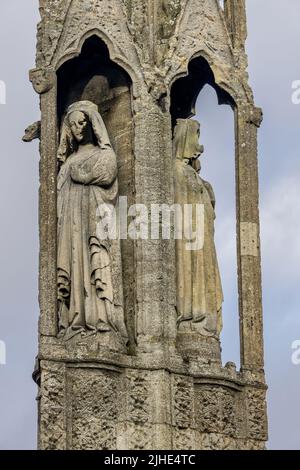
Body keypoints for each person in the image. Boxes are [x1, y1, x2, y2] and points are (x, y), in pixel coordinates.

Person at [57, 100, 127, 342]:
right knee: (77, 266)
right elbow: (59, 195)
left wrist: (83, 175)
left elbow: (107, 174)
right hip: (72, 225)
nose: (78, 128)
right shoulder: (67, 164)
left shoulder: (104, 154)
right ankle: (76, 320)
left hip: (95, 220)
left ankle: (101, 320)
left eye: (82, 122)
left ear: (92, 124)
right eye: (73, 124)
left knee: (96, 265)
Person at [174, 118, 223, 337]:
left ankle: (202, 318)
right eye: (195, 137)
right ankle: (190, 317)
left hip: (202, 239)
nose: (198, 145)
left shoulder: (194, 176)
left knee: (203, 277)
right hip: (187, 238)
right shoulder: (176, 171)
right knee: (188, 274)